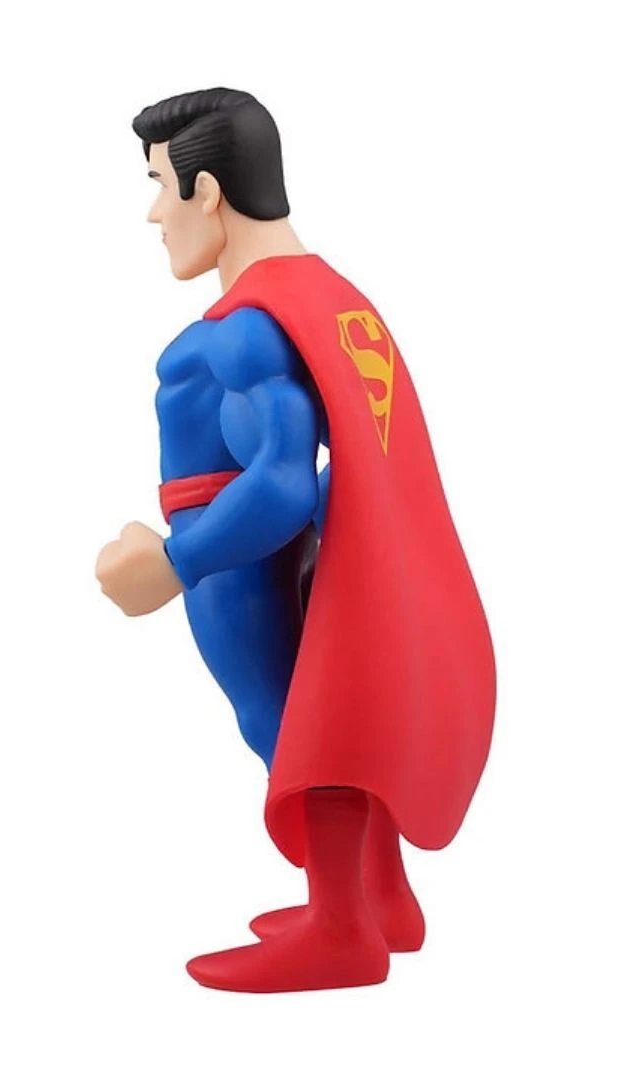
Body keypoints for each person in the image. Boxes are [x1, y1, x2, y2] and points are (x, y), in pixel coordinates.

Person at [96, 88, 495, 992]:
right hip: (280, 555)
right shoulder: (330, 296)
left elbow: (278, 477)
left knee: (295, 728)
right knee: (319, 717)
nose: (154, 214)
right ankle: (381, 897)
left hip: (238, 567)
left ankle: (341, 927)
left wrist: (174, 562)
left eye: (158, 185)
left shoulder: (246, 331)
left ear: (206, 191)